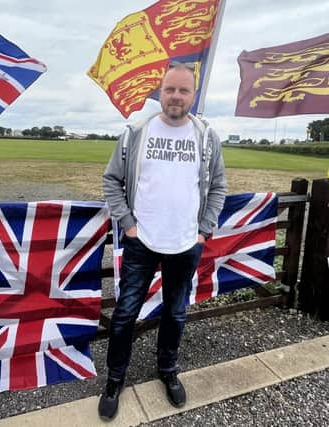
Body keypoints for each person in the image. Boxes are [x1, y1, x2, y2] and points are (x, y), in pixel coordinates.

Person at [98, 62, 227, 420]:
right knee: (125, 313)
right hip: (142, 240)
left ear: (193, 95)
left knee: (176, 311)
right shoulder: (137, 131)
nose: (175, 96)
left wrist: (204, 230)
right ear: (160, 91)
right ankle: (115, 379)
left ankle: (167, 370)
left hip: (186, 243)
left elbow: (217, 186)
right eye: (170, 89)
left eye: (183, 90)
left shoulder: (206, 136)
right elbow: (111, 181)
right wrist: (128, 223)